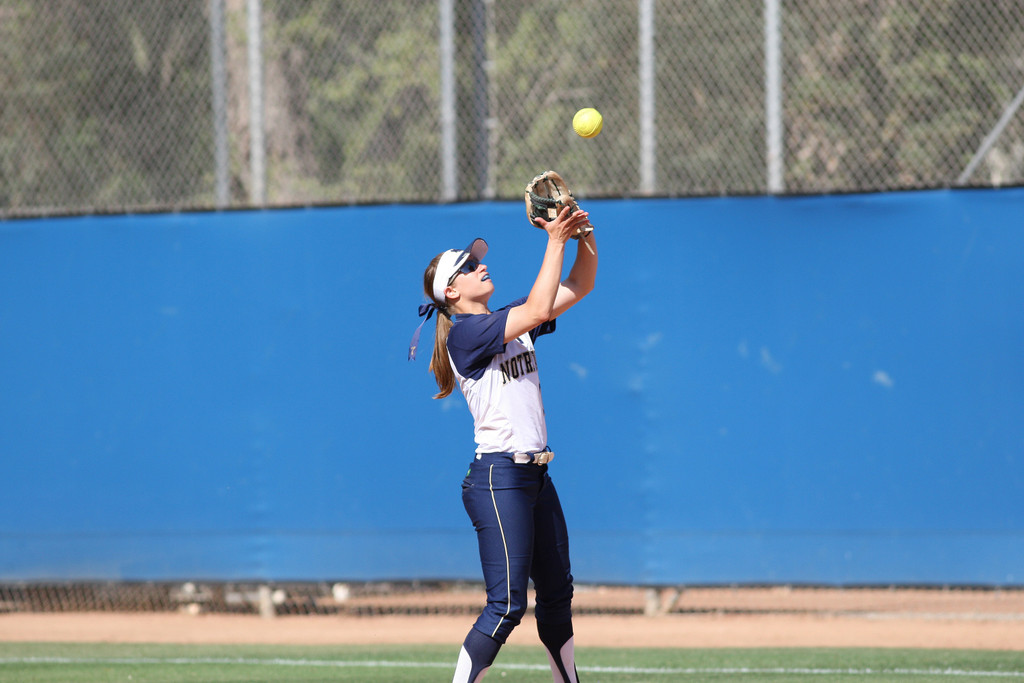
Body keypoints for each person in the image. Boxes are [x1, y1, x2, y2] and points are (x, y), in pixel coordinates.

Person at [409, 204, 597, 683]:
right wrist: (553, 239)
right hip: (499, 478)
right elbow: (536, 307)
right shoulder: (467, 334)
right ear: (451, 292)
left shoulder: (505, 320)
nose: (480, 266)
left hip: (535, 476)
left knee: (557, 593)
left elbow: (579, 286)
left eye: (478, 261)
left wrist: (582, 236)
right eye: (468, 267)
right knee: (507, 603)